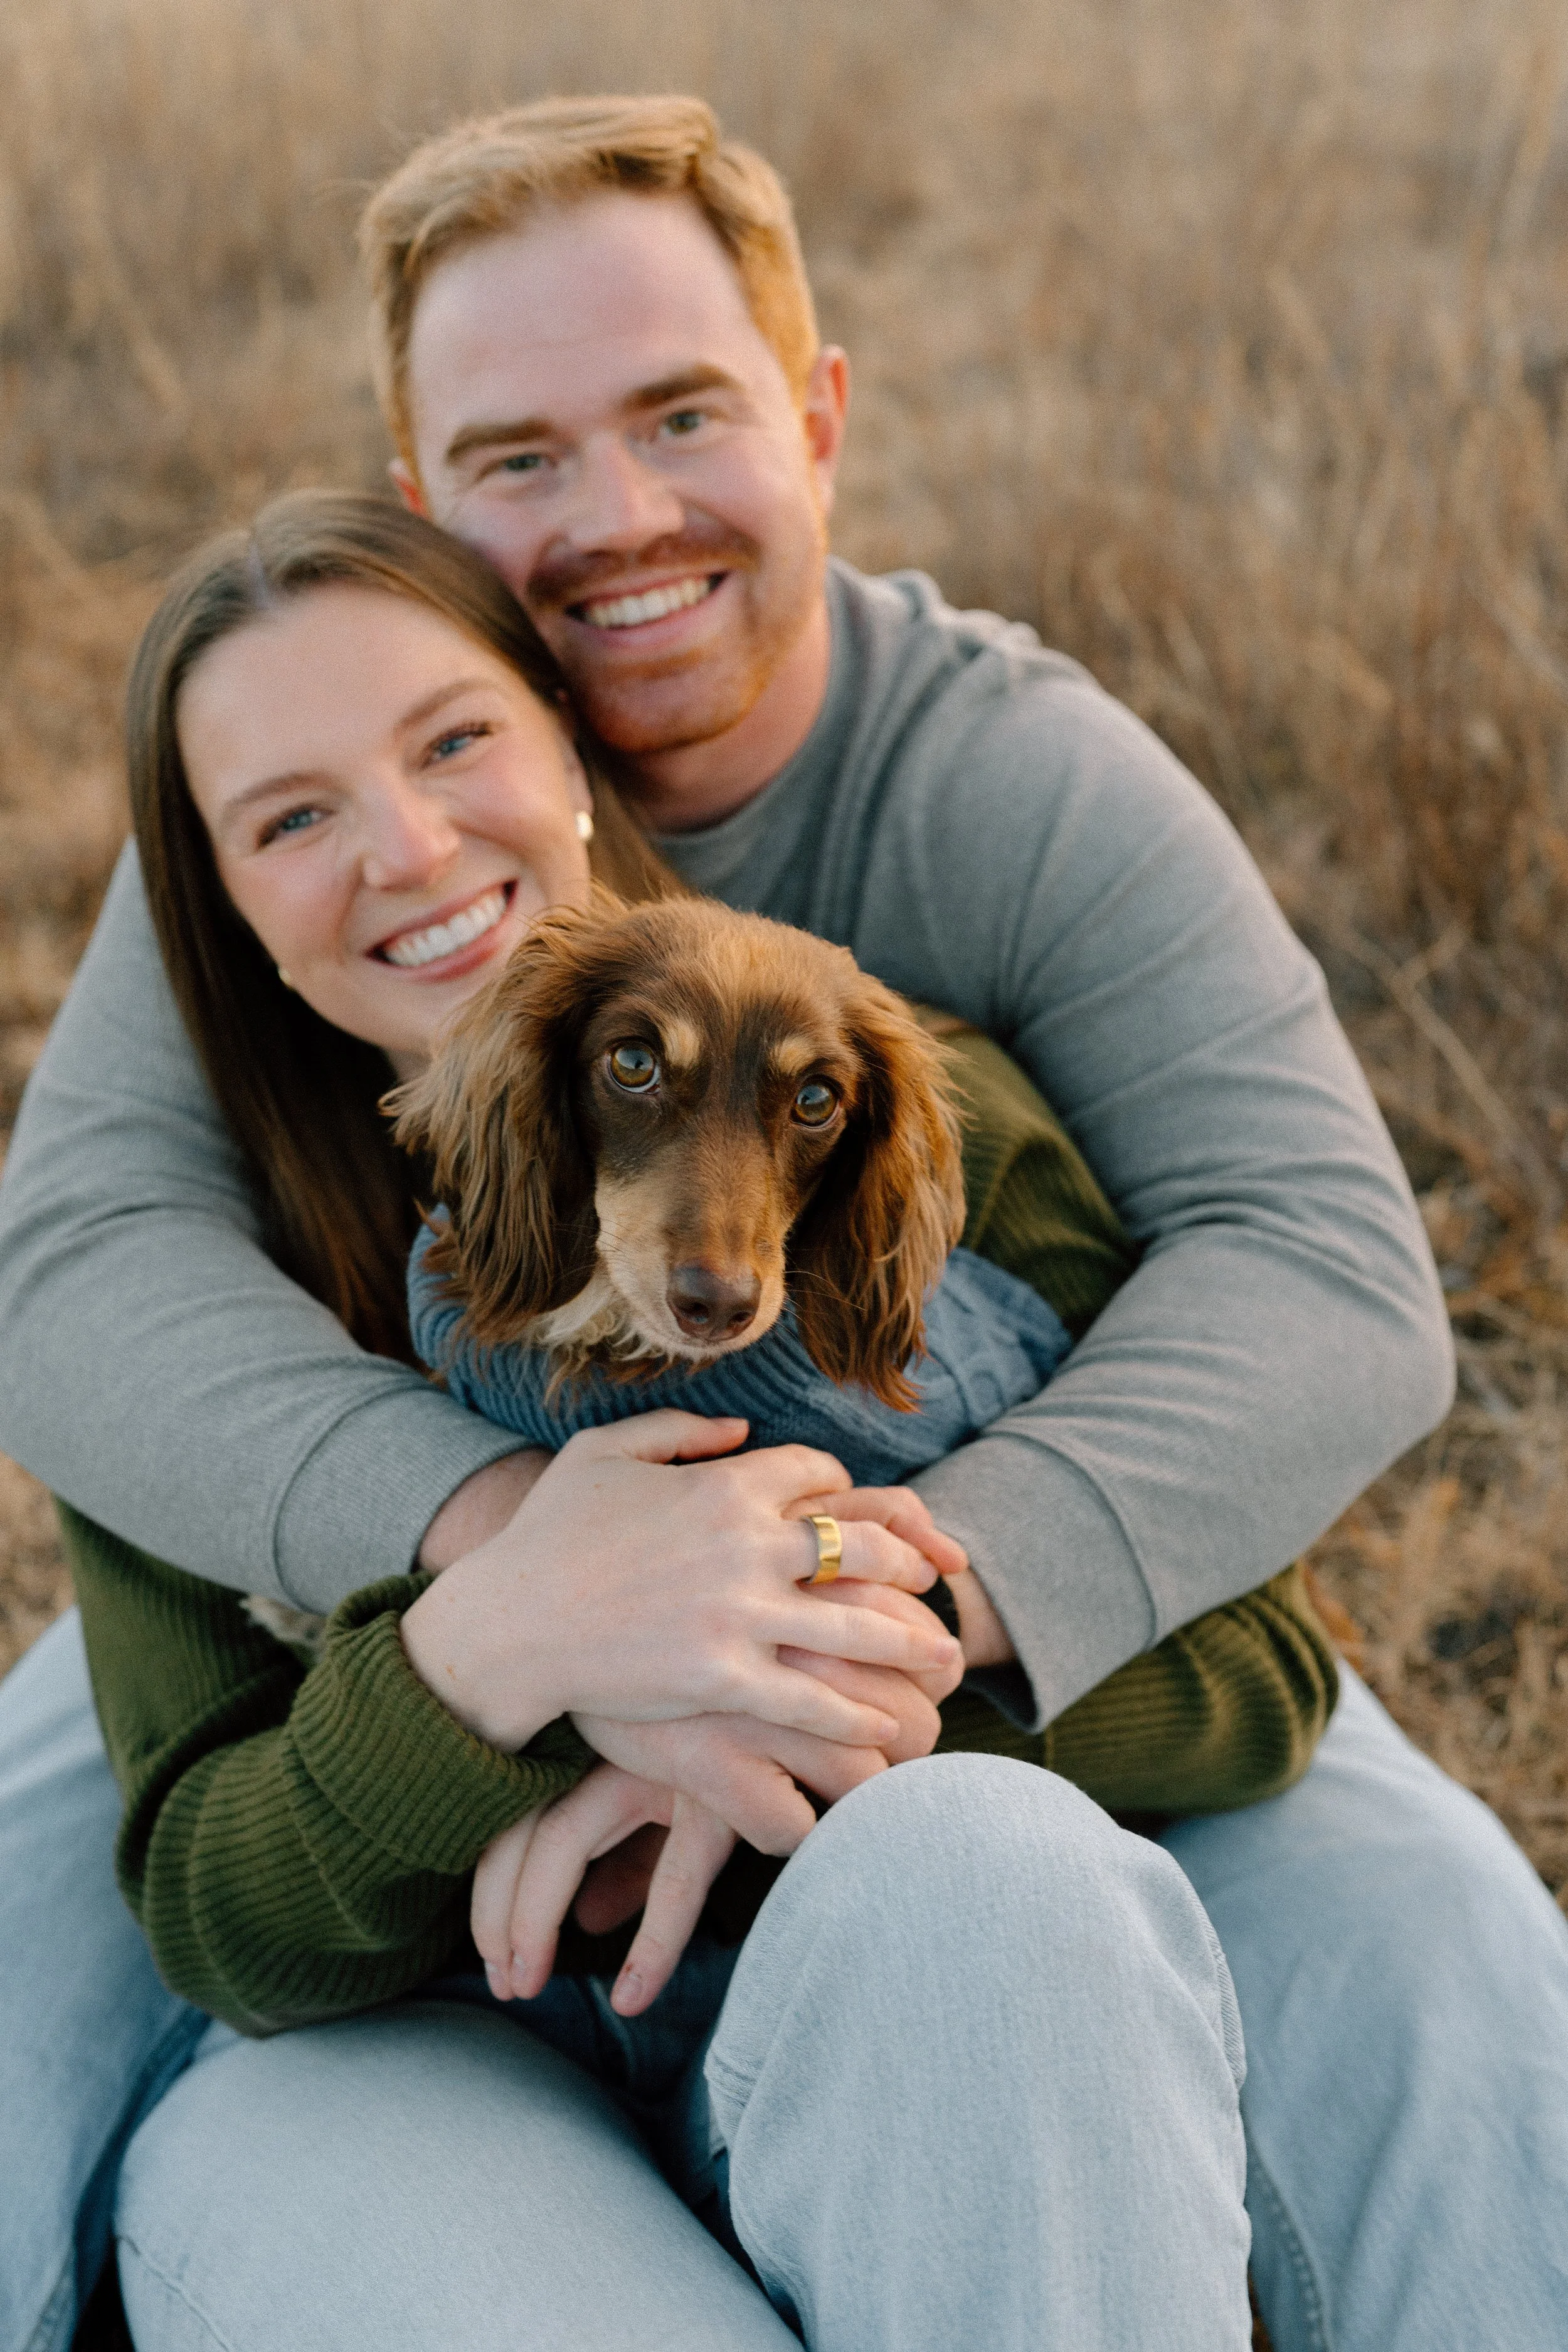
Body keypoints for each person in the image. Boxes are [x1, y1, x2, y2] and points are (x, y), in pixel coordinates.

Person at [0, 93, 1565, 2351]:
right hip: (370, 1502)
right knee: (64, 1936)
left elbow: (1325, 1276)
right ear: (431, 512)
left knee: (1416, 1924)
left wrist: (807, 1637)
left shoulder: (1002, 781)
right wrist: (529, 1563)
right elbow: (78, 1290)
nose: (618, 517)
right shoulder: (338, 808)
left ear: (818, 416)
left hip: (978, 1483)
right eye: (521, 457)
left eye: (681, 416)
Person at [38, 487, 1333, 2349]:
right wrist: (501, 1645)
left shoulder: (907, 1110)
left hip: (880, 2022)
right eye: (293, 816)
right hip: (434, 2074)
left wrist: (767, 1683)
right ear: (212, 902)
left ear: (573, 745)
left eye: (455, 740)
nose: (407, 849)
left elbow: (1263, 1662)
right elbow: (221, 1909)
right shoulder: (192, 1306)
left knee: (993, 1878)